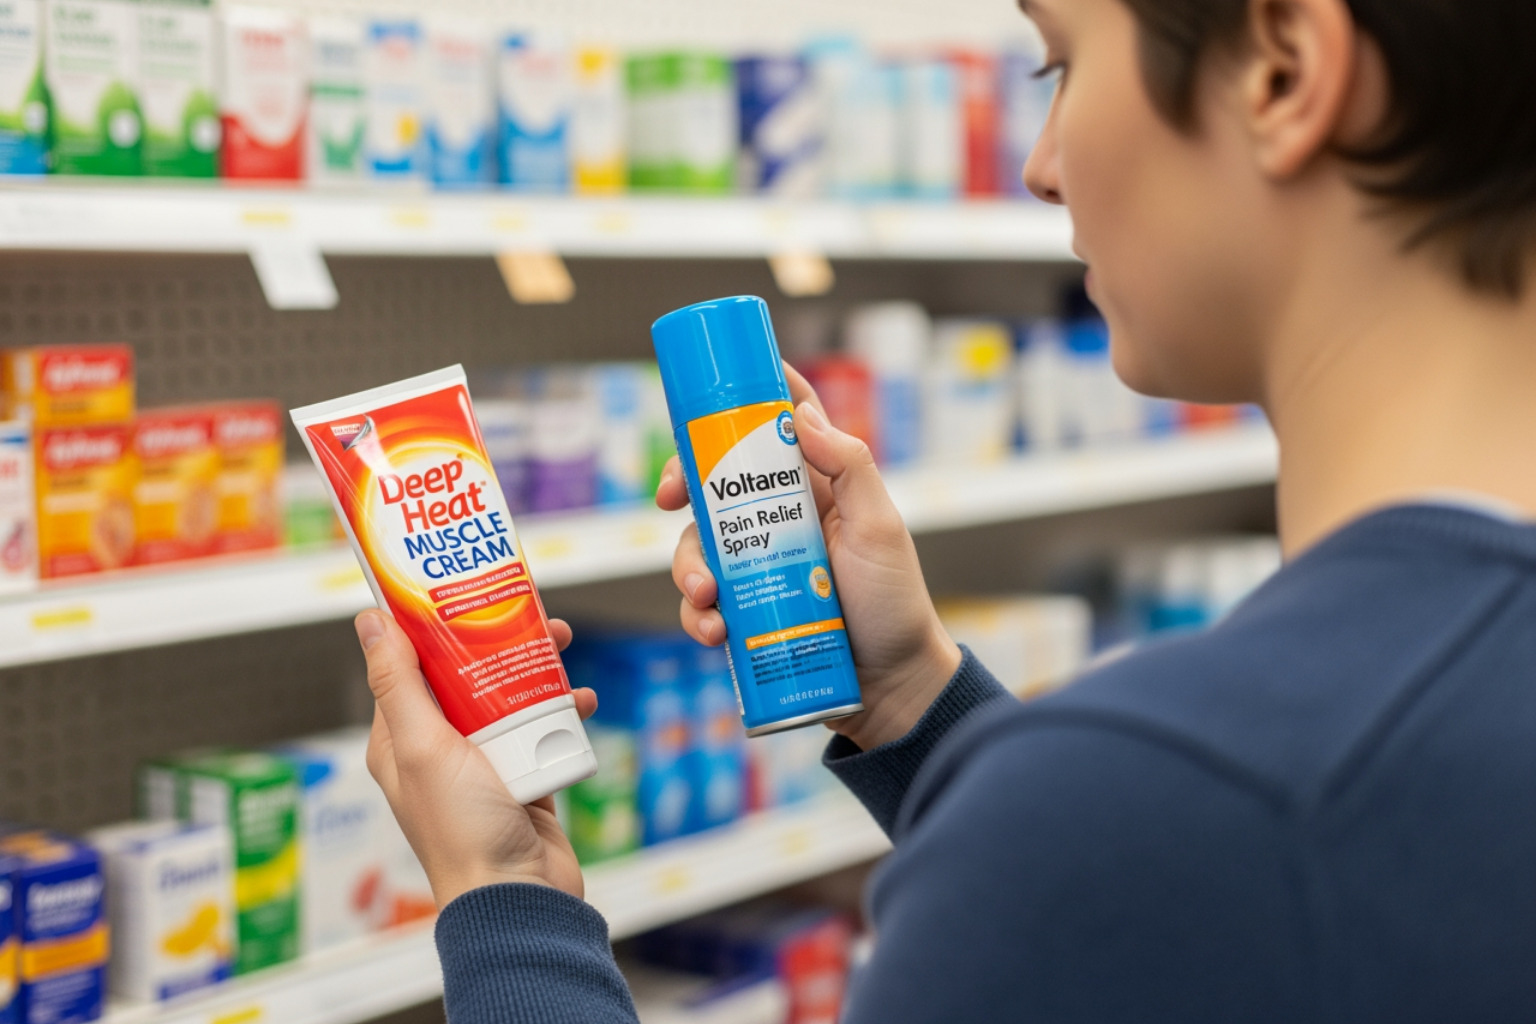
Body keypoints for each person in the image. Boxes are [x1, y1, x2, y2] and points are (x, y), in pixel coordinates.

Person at [353, 0, 1536, 1018]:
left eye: (1059, 62)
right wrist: (916, 694)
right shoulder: (1242, 790)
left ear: (1284, 66)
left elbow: (1163, 855)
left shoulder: (1177, 808)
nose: (1042, 164)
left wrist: (508, 909)